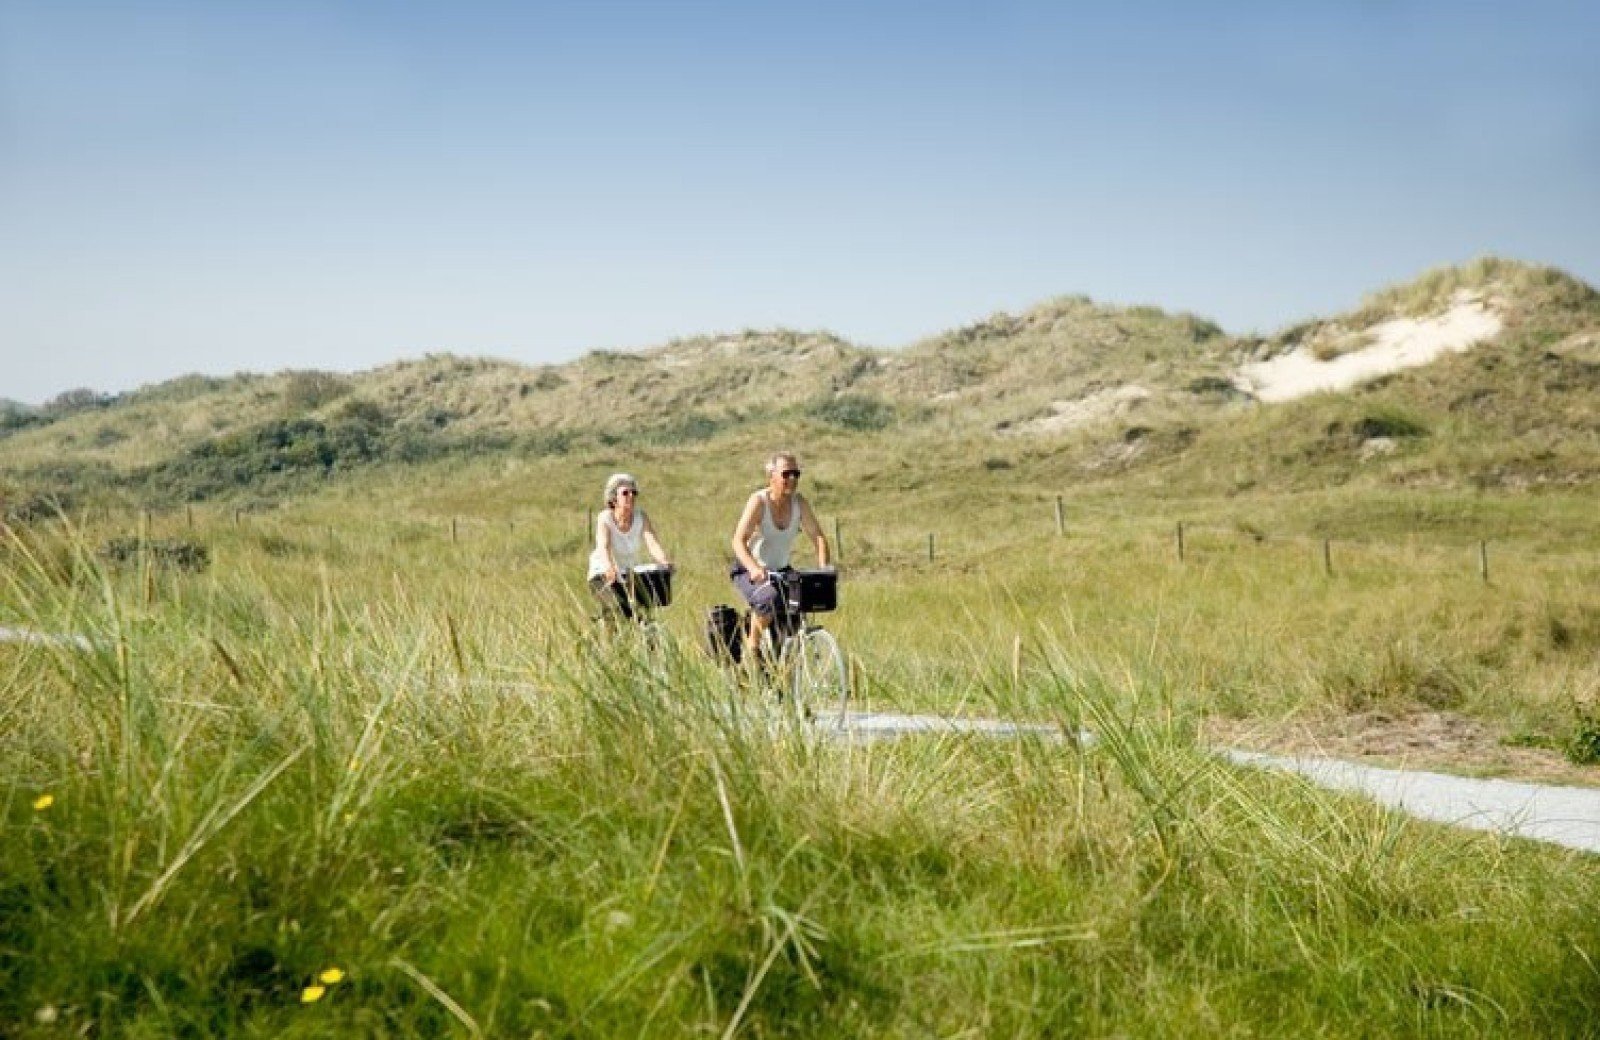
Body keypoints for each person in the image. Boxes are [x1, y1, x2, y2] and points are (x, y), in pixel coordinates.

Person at [729, 451, 830, 657]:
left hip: (781, 569)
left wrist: (824, 568)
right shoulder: (759, 502)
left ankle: (783, 661)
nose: (792, 479)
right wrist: (754, 568)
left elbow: (818, 536)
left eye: (796, 474)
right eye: (786, 474)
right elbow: (738, 541)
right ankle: (752, 647)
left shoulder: (799, 503)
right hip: (748, 569)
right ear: (771, 476)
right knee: (769, 599)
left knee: (799, 606)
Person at [587, 472, 672, 622]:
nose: (631, 496)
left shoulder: (640, 517)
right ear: (614, 498)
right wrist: (609, 567)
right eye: (625, 493)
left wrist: (664, 562)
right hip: (602, 573)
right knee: (618, 608)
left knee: (645, 610)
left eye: (634, 492)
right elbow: (604, 546)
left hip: (627, 573)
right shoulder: (605, 518)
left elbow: (651, 542)